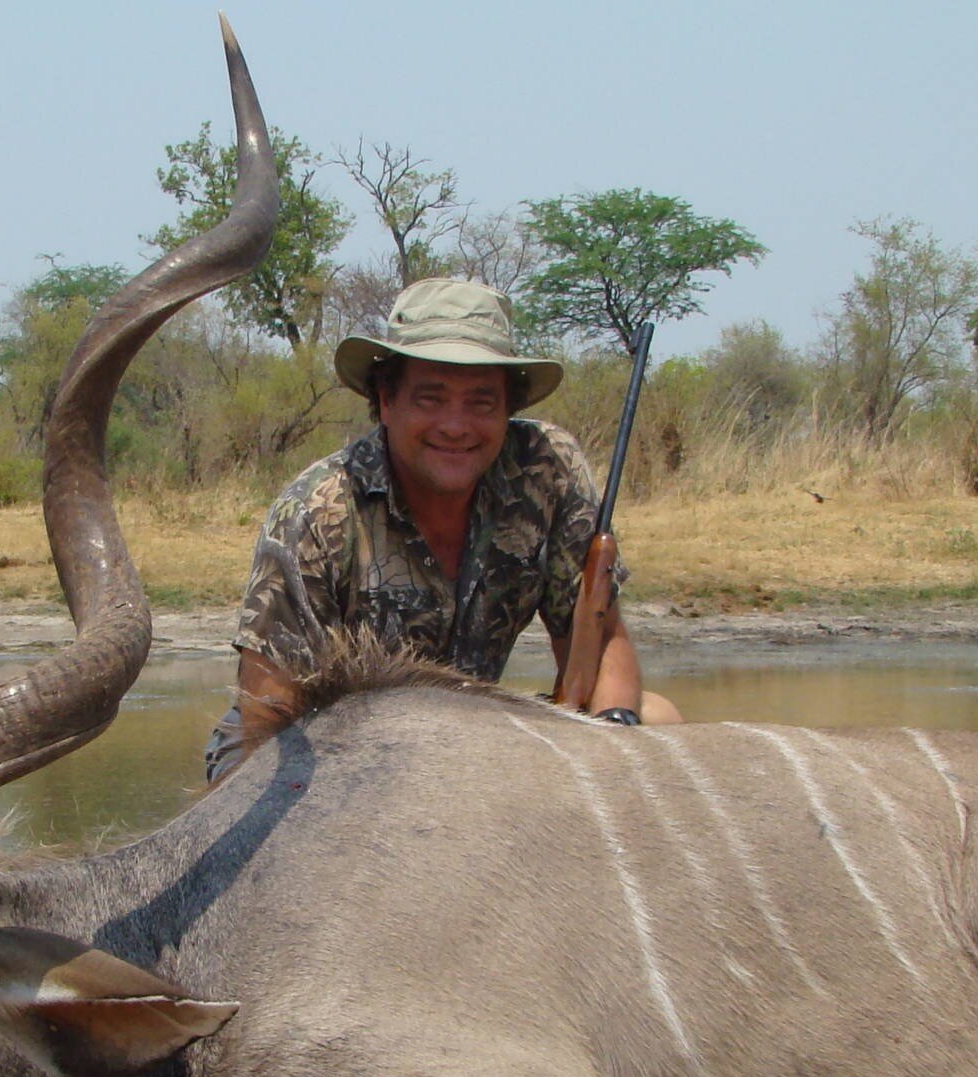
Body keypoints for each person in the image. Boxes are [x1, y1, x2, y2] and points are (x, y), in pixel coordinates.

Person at [207, 275, 679, 783]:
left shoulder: (546, 470)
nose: (456, 426)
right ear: (386, 402)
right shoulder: (318, 510)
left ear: (509, 410)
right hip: (328, 752)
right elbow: (269, 713)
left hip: (470, 732)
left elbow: (603, 642)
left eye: (481, 402)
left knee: (656, 717)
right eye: (431, 399)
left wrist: (610, 743)